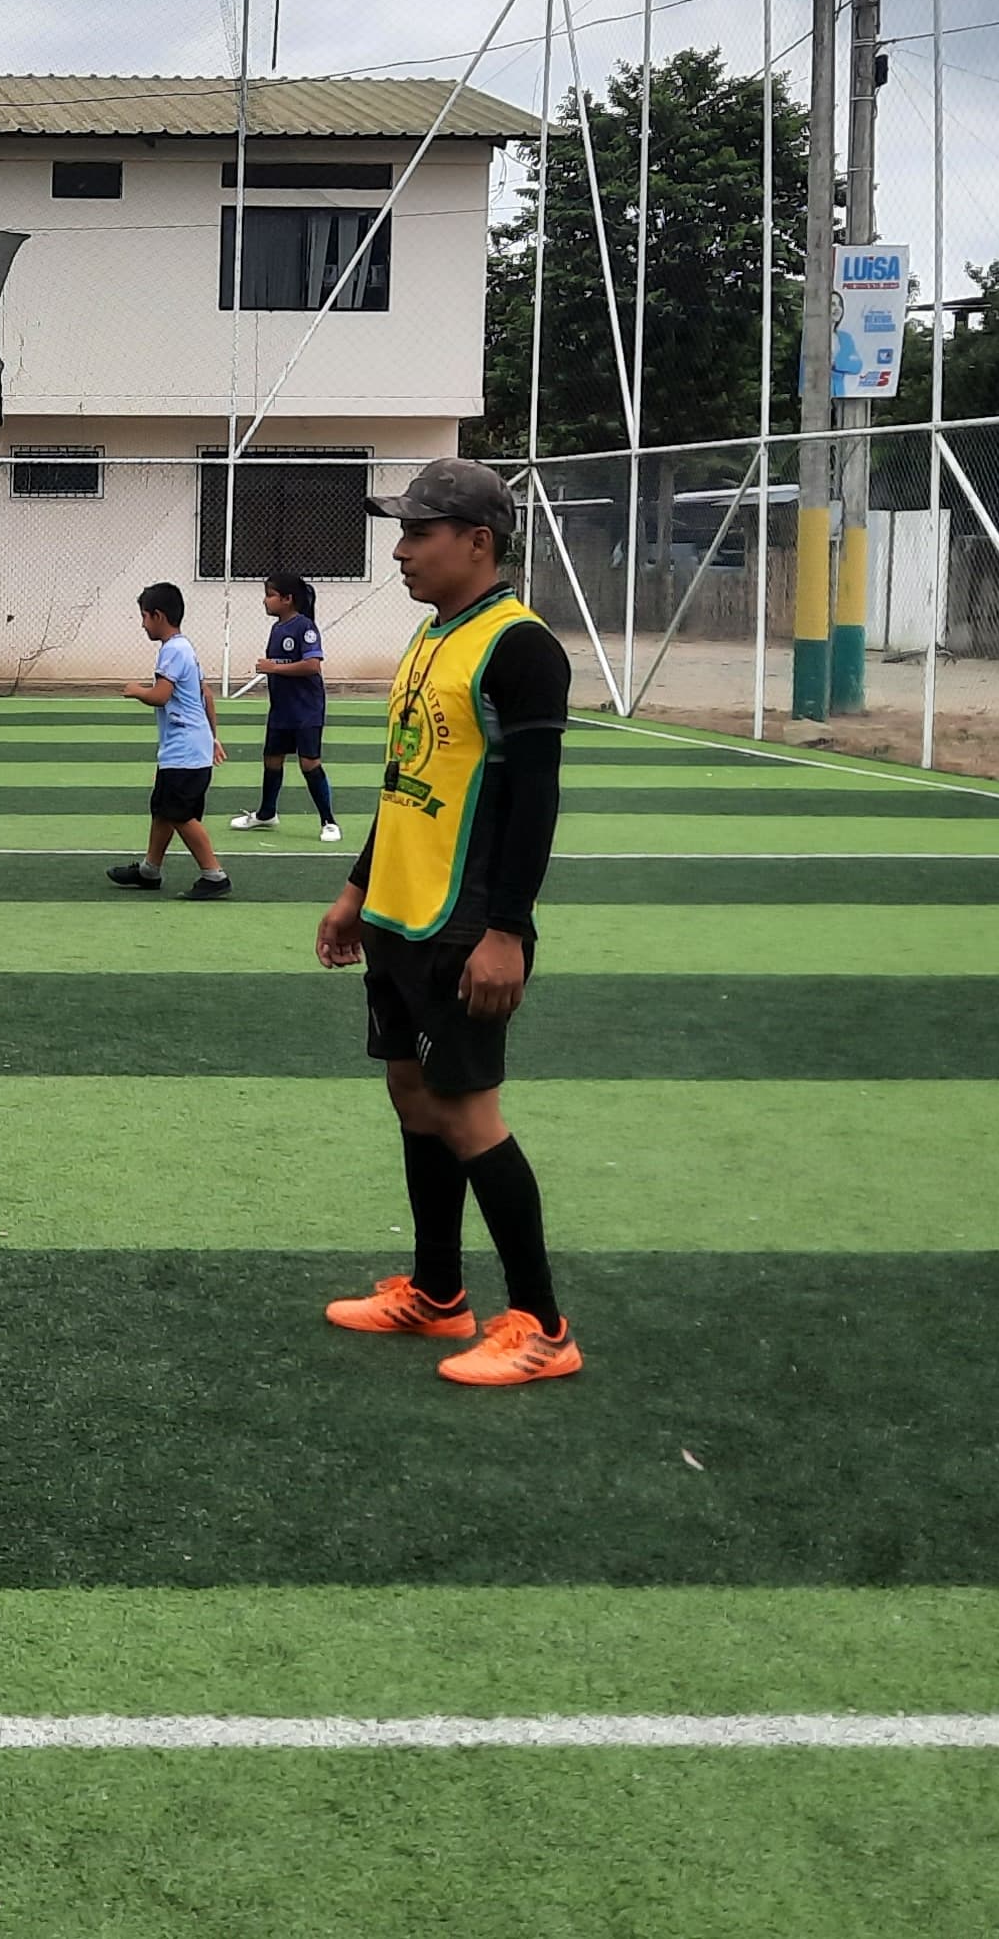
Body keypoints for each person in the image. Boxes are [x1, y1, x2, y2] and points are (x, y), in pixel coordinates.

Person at [313, 459, 578, 1387]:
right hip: (400, 911)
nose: (401, 550)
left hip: (467, 924)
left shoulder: (521, 647)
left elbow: (536, 801)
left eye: (419, 533)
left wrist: (508, 931)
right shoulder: (433, 637)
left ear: (478, 542)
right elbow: (407, 778)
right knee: (413, 1098)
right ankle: (436, 1295)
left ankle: (543, 1327)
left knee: (469, 1116)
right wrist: (357, 890)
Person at [106, 584, 231, 900]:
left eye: (144, 617)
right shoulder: (186, 648)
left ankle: (214, 874)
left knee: (180, 814)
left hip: (184, 750)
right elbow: (206, 695)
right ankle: (150, 870)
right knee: (163, 809)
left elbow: (161, 696)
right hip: (189, 747)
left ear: (158, 616)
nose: (143, 624)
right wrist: (212, 737)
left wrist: (136, 691)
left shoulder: (172, 651)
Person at [232, 572, 339, 843]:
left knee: (309, 763)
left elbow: (312, 665)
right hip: (281, 709)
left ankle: (328, 821)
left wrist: (274, 667)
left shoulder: (305, 627)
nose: (265, 601)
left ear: (287, 599)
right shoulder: (277, 628)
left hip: (306, 709)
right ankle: (267, 813)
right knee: (272, 758)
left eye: (270, 595)